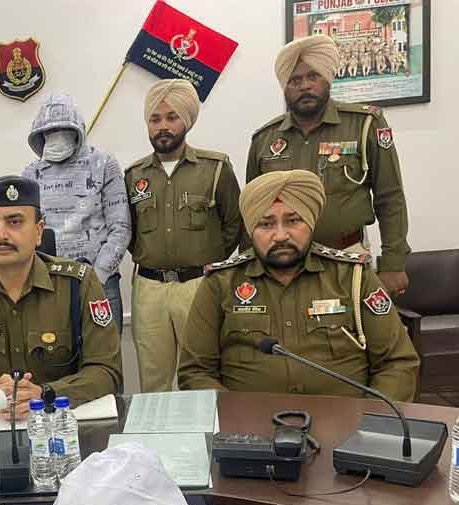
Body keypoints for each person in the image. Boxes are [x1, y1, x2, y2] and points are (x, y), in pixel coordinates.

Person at [178, 170, 419, 402]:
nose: (281, 235)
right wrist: (233, 418)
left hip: (347, 424)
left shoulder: (354, 277)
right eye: (266, 224)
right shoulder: (220, 283)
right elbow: (196, 372)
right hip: (249, 425)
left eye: (293, 221)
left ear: (311, 223)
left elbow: (397, 363)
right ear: (251, 231)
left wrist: (370, 421)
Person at [0, 176, 123, 420]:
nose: (0, 234)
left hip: (59, 425)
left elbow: (106, 370)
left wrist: (45, 394)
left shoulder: (78, 284)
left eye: (14, 222)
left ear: (38, 231)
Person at [246, 34, 410, 297]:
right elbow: (252, 211)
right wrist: (249, 266)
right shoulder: (264, 139)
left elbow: (390, 198)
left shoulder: (364, 124)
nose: (304, 86)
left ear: (327, 79)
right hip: (282, 265)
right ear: (285, 88)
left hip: (346, 257)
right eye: (295, 80)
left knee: (353, 324)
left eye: (313, 76)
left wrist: (393, 263)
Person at [124, 79, 242, 392]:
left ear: (186, 121)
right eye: (155, 119)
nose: (163, 126)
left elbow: (234, 224)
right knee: (153, 380)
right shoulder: (134, 175)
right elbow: (129, 231)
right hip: (150, 288)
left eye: (171, 117)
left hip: (199, 285)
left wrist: (211, 261)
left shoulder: (215, 168)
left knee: (201, 375)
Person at [22, 91, 130, 332]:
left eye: (63, 129)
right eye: (50, 131)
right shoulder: (30, 173)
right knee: (54, 353)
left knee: (105, 353)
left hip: (101, 282)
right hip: (50, 284)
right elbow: (28, 232)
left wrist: (98, 275)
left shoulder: (104, 163)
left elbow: (121, 227)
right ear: (40, 134)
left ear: (76, 130)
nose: (56, 135)